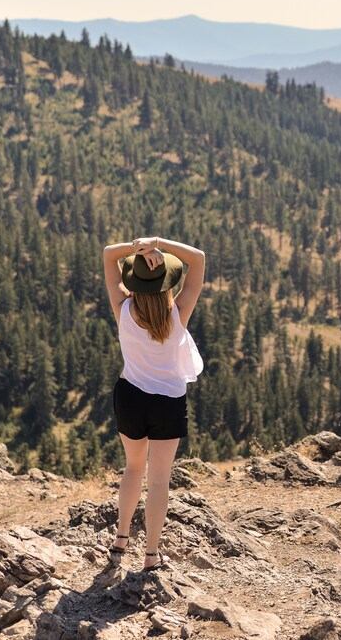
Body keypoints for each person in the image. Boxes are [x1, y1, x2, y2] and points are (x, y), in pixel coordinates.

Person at [101, 236, 205, 571]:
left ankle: (120, 539)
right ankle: (150, 554)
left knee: (133, 469)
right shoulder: (177, 316)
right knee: (159, 480)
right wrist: (159, 243)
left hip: (130, 396)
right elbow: (199, 259)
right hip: (168, 402)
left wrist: (138, 248)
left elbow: (107, 256)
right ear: (167, 286)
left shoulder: (124, 311)